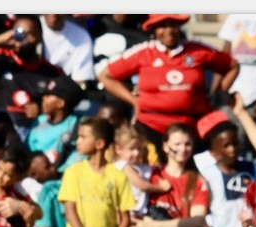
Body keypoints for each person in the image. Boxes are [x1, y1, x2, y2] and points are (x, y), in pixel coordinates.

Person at [101, 14, 238, 145]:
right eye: (162, 26)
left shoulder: (197, 50)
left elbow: (232, 66)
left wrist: (218, 94)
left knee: (226, 132)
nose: (169, 31)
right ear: (154, 29)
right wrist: (134, 101)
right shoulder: (144, 52)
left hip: (191, 126)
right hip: (151, 126)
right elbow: (105, 76)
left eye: (173, 25)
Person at [58, 117, 135, 227]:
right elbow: (70, 212)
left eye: (83, 137)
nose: (78, 141)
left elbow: (124, 218)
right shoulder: (73, 172)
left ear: (99, 143)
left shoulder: (117, 175)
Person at [195, 116, 256, 227]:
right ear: (214, 151)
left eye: (235, 144)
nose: (232, 149)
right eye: (226, 146)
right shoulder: (207, 174)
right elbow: (205, 212)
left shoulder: (253, 169)